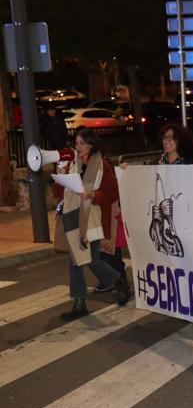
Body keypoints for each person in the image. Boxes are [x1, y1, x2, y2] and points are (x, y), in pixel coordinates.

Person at [54, 129, 129, 320]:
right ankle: (79, 303)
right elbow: (60, 192)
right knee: (75, 262)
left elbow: (113, 193)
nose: (77, 147)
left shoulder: (102, 165)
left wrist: (93, 195)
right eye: (76, 143)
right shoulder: (73, 165)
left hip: (92, 218)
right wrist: (60, 175)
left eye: (81, 143)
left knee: (92, 260)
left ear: (90, 145)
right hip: (73, 217)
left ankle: (118, 280)